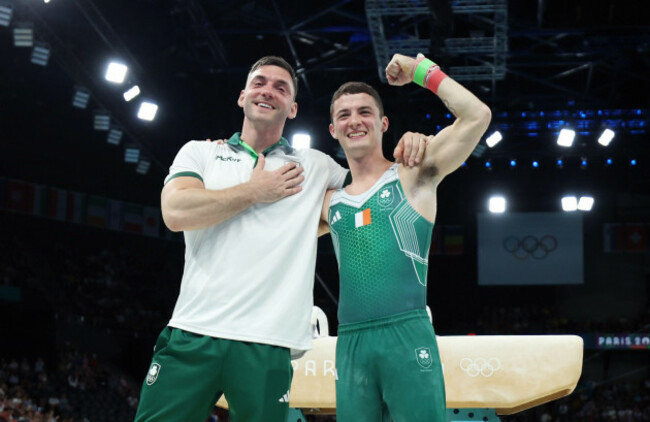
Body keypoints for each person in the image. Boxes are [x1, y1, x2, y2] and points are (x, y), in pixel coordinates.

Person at [134, 56, 426, 422]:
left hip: (268, 343)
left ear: (293, 108)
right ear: (242, 96)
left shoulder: (316, 166)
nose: (268, 91)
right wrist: (255, 191)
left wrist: (411, 145)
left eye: (281, 87)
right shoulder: (202, 152)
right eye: (259, 83)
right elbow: (176, 212)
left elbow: (371, 193)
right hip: (193, 331)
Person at [321, 53, 491, 421]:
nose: (355, 121)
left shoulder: (413, 174)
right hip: (350, 344)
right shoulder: (329, 204)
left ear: (384, 124)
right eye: (344, 115)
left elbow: (477, 117)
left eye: (364, 112)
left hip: (406, 334)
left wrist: (421, 72)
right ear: (332, 130)